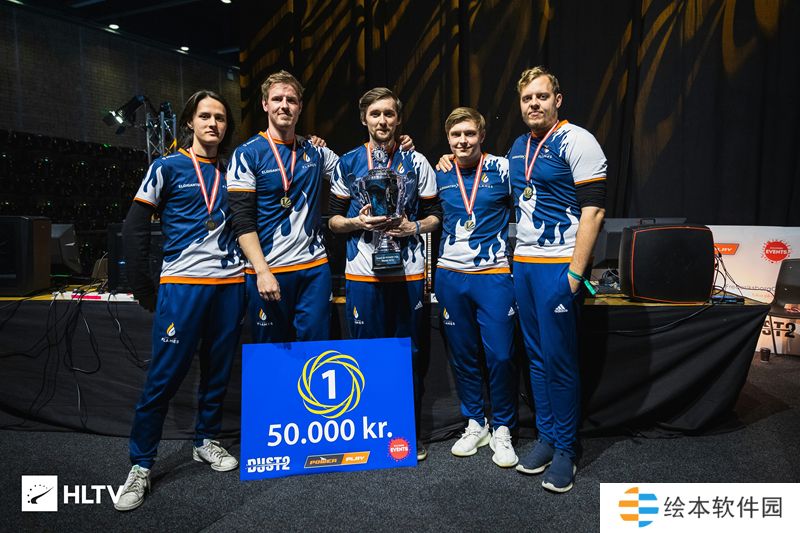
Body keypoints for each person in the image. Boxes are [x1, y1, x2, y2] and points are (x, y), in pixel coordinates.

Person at [117, 90, 245, 511]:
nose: (213, 124)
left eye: (220, 118)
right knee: (164, 377)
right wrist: (143, 286)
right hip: (183, 285)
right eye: (205, 116)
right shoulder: (166, 167)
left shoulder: (235, 169)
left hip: (230, 285)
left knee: (218, 369)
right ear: (190, 121)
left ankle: (205, 440)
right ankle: (140, 464)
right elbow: (134, 227)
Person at [328, 87, 441, 460]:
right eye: (375, 114)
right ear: (364, 118)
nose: (382, 120)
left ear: (398, 119)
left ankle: (405, 432)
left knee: (409, 354)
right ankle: (368, 429)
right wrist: (356, 222)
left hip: (407, 272)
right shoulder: (348, 162)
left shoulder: (416, 161)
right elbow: (332, 220)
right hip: (363, 273)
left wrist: (413, 228)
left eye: (389, 114)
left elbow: (435, 216)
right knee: (364, 354)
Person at [509, 67, 606, 492]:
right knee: (535, 357)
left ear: (557, 99)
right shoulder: (518, 146)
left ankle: (567, 448)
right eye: (527, 98)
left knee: (560, 360)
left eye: (542, 96)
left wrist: (575, 275)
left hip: (558, 267)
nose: (534, 103)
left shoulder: (578, 140)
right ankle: (547, 438)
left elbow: (594, 212)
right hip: (524, 265)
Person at [434, 107, 518, 467]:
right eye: (456, 135)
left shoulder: (504, 169)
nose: (463, 141)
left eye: (469, 134)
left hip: (493, 274)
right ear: (448, 139)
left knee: (501, 355)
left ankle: (503, 427)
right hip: (450, 275)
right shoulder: (438, 173)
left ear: (482, 135)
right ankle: (476, 423)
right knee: (464, 354)